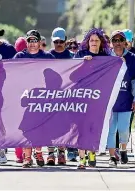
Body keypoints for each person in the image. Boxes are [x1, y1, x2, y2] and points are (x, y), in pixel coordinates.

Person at [14, 30, 55, 168]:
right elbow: (9, 69)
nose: (32, 44)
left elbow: (62, 69)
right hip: (25, 95)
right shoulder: (20, 56)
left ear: (39, 42)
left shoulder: (47, 56)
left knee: (40, 126)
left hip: (41, 96)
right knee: (26, 128)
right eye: (30, 41)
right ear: (26, 42)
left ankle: (38, 152)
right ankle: (27, 157)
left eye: (35, 41)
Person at [73, 28, 111, 169]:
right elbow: (71, 73)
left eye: (96, 40)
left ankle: (92, 152)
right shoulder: (81, 54)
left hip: (98, 98)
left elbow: (114, 72)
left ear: (101, 42)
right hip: (81, 98)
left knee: (94, 128)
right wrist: (82, 63)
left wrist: (121, 61)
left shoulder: (106, 57)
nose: (94, 42)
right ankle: (81, 159)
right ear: (87, 42)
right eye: (91, 40)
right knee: (81, 129)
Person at [107, 30, 135, 167]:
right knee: (110, 130)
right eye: (114, 40)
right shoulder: (107, 57)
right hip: (110, 101)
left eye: (120, 40)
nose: (117, 43)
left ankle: (123, 149)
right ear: (111, 43)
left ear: (125, 42)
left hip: (126, 99)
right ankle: (112, 156)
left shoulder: (133, 58)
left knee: (123, 128)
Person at [46, 27, 77, 166]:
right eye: (56, 41)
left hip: (66, 97)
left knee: (64, 125)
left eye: (61, 41)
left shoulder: (72, 56)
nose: (59, 44)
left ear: (65, 41)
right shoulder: (47, 56)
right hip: (50, 97)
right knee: (50, 125)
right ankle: (51, 153)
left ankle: (62, 153)